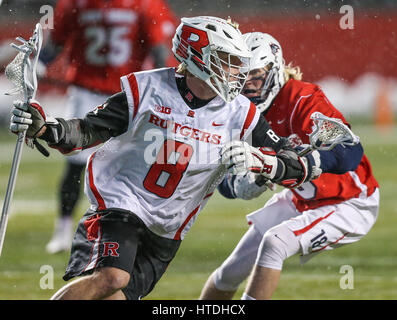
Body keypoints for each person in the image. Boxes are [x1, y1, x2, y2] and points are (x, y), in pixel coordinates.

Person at [9, 16, 322, 300]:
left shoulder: (241, 113)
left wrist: (267, 164)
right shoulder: (146, 89)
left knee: (114, 297)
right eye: (227, 62)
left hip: (168, 226)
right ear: (199, 59)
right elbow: (87, 130)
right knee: (112, 277)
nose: (236, 72)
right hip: (121, 203)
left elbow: (291, 159)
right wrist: (47, 129)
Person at [199, 32, 380, 300]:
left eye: (255, 75)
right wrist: (239, 185)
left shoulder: (302, 98)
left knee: (276, 242)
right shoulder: (236, 110)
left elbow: (350, 151)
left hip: (348, 201)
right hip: (301, 198)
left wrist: (308, 163)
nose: (247, 85)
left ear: (274, 71)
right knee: (230, 272)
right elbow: (220, 178)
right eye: (240, 75)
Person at [39, 0, 177, 254]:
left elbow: (158, 50)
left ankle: (133, 228)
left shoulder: (138, 4)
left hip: (128, 94)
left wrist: (40, 63)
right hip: (90, 90)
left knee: (134, 164)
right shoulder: (141, 4)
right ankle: (63, 229)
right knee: (76, 162)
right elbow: (159, 51)